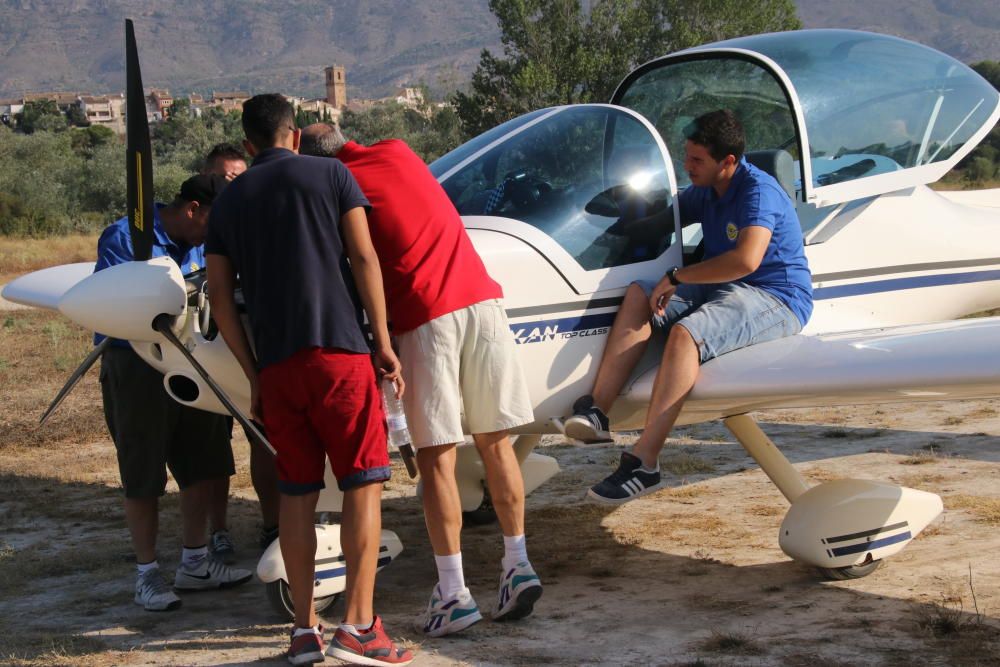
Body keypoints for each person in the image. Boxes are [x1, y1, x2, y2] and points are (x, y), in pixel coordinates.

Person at [300, 123, 542, 637]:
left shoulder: (337, 184)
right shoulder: (398, 150)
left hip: (425, 315)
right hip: (484, 301)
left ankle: (453, 592)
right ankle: (517, 563)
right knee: (496, 443)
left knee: (437, 458)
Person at [206, 95, 412, 666]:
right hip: (341, 354)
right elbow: (365, 259)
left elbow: (221, 297)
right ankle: (361, 625)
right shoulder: (332, 174)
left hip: (278, 367)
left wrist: (254, 375)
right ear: (294, 135)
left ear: (248, 145)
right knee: (362, 485)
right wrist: (385, 341)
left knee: (296, 497)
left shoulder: (229, 201)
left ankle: (303, 629)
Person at [556, 109, 813, 504]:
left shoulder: (757, 193)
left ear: (727, 161)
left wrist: (677, 278)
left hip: (774, 296)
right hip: (723, 285)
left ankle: (645, 461)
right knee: (639, 294)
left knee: (685, 334)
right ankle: (597, 413)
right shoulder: (708, 188)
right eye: (685, 157)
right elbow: (664, 216)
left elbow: (747, 261)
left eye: (696, 160)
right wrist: (602, 218)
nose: (686, 166)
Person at [95, 174, 253, 612]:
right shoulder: (125, 237)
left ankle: (195, 562)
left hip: (196, 361)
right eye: (211, 224)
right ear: (192, 211)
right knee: (143, 473)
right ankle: (147, 574)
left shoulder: (207, 242)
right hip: (137, 365)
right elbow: (117, 302)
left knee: (204, 464)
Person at [198, 144, 281, 564]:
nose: (236, 182)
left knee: (264, 440)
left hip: (251, 340)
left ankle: (273, 526)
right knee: (210, 447)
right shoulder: (194, 221)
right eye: (226, 178)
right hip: (205, 353)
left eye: (239, 175)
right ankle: (218, 531)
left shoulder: (251, 216)